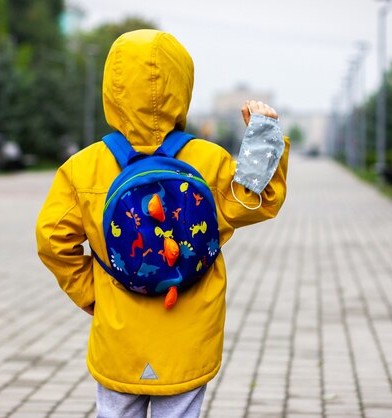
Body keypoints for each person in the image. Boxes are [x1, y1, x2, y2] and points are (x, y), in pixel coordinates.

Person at [35, 29, 289, 418]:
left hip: (119, 334)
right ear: (182, 85)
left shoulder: (83, 168)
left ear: (111, 87)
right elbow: (257, 202)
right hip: (187, 335)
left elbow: (53, 240)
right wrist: (265, 137)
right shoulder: (208, 160)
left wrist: (92, 294)